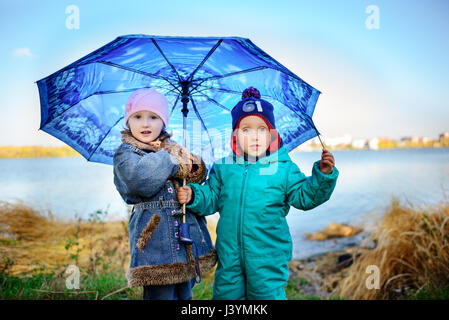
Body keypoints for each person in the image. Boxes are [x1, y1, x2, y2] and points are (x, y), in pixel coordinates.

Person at [177, 86, 339, 300]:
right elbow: (211, 197)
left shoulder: (282, 167)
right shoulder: (224, 167)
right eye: (246, 130)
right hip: (229, 256)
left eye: (261, 129)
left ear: (272, 134)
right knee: (226, 296)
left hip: (268, 257)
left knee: (266, 297)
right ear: (235, 136)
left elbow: (305, 196)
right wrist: (194, 195)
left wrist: (322, 177)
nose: (254, 136)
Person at [113, 88, 217, 300]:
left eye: (153, 117)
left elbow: (196, 177)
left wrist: (192, 165)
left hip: (184, 237)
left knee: (184, 293)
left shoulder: (172, 148)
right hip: (154, 239)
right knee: (161, 294)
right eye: (138, 117)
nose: (145, 123)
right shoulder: (126, 153)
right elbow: (139, 181)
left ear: (163, 122)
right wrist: (169, 158)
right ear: (128, 122)